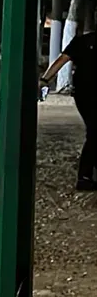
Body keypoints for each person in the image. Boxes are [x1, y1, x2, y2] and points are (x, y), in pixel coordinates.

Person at [40, 30, 97, 191]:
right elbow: (62, 60)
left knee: (94, 131)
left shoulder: (82, 41)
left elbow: (61, 60)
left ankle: (89, 172)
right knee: (94, 131)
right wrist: (44, 80)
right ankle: (84, 176)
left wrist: (45, 79)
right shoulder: (84, 41)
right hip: (86, 94)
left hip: (83, 93)